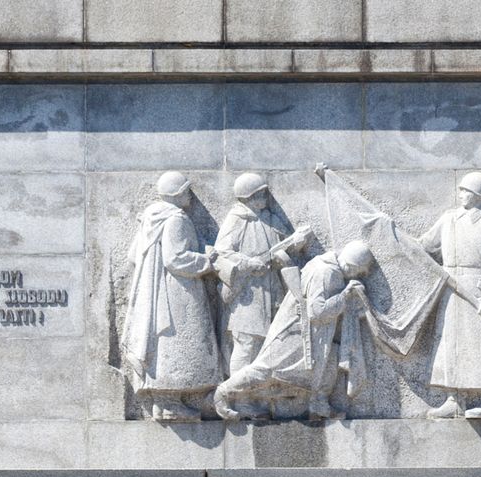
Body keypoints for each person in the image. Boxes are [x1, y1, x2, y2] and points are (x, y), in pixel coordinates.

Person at [215, 240, 377, 421]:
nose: (361, 275)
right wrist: (346, 295)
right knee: (265, 369)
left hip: (311, 334)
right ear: (350, 264)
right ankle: (222, 394)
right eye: (360, 270)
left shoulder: (324, 265)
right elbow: (317, 311)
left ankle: (319, 405)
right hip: (296, 333)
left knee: (330, 359)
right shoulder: (327, 272)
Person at [118, 171, 221, 421]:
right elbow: (176, 258)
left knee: (166, 345)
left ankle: (167, 402)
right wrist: (207, 261)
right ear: (176, 194)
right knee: (177, 343)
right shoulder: (177, 218)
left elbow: (134, 256)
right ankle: (169, 404)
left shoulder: (151, 217)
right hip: (177, 292)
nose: (190, 196)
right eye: (186, 191)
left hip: (162, 291)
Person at [212, 172, 311, 419]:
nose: (265, 197)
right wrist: (247, 263)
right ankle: (238, 399)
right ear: (248, 197)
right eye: (259, 194)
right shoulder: (237, 219)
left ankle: (258, 396)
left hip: (272, 289)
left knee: (266, 347)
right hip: (247, 293)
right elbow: (221, 253)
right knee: (247, 344)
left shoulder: (270, 218)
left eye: (265, 192)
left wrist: (296, 242)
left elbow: (280, 249)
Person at [419, 172, 481, 419]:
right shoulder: (449, 218)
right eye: (461, 190)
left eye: (469, 192)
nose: (463, 196)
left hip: (479, 287)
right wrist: (392, 234)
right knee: (451, 342)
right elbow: (425, 246)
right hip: (451, 288)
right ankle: (454, 398)